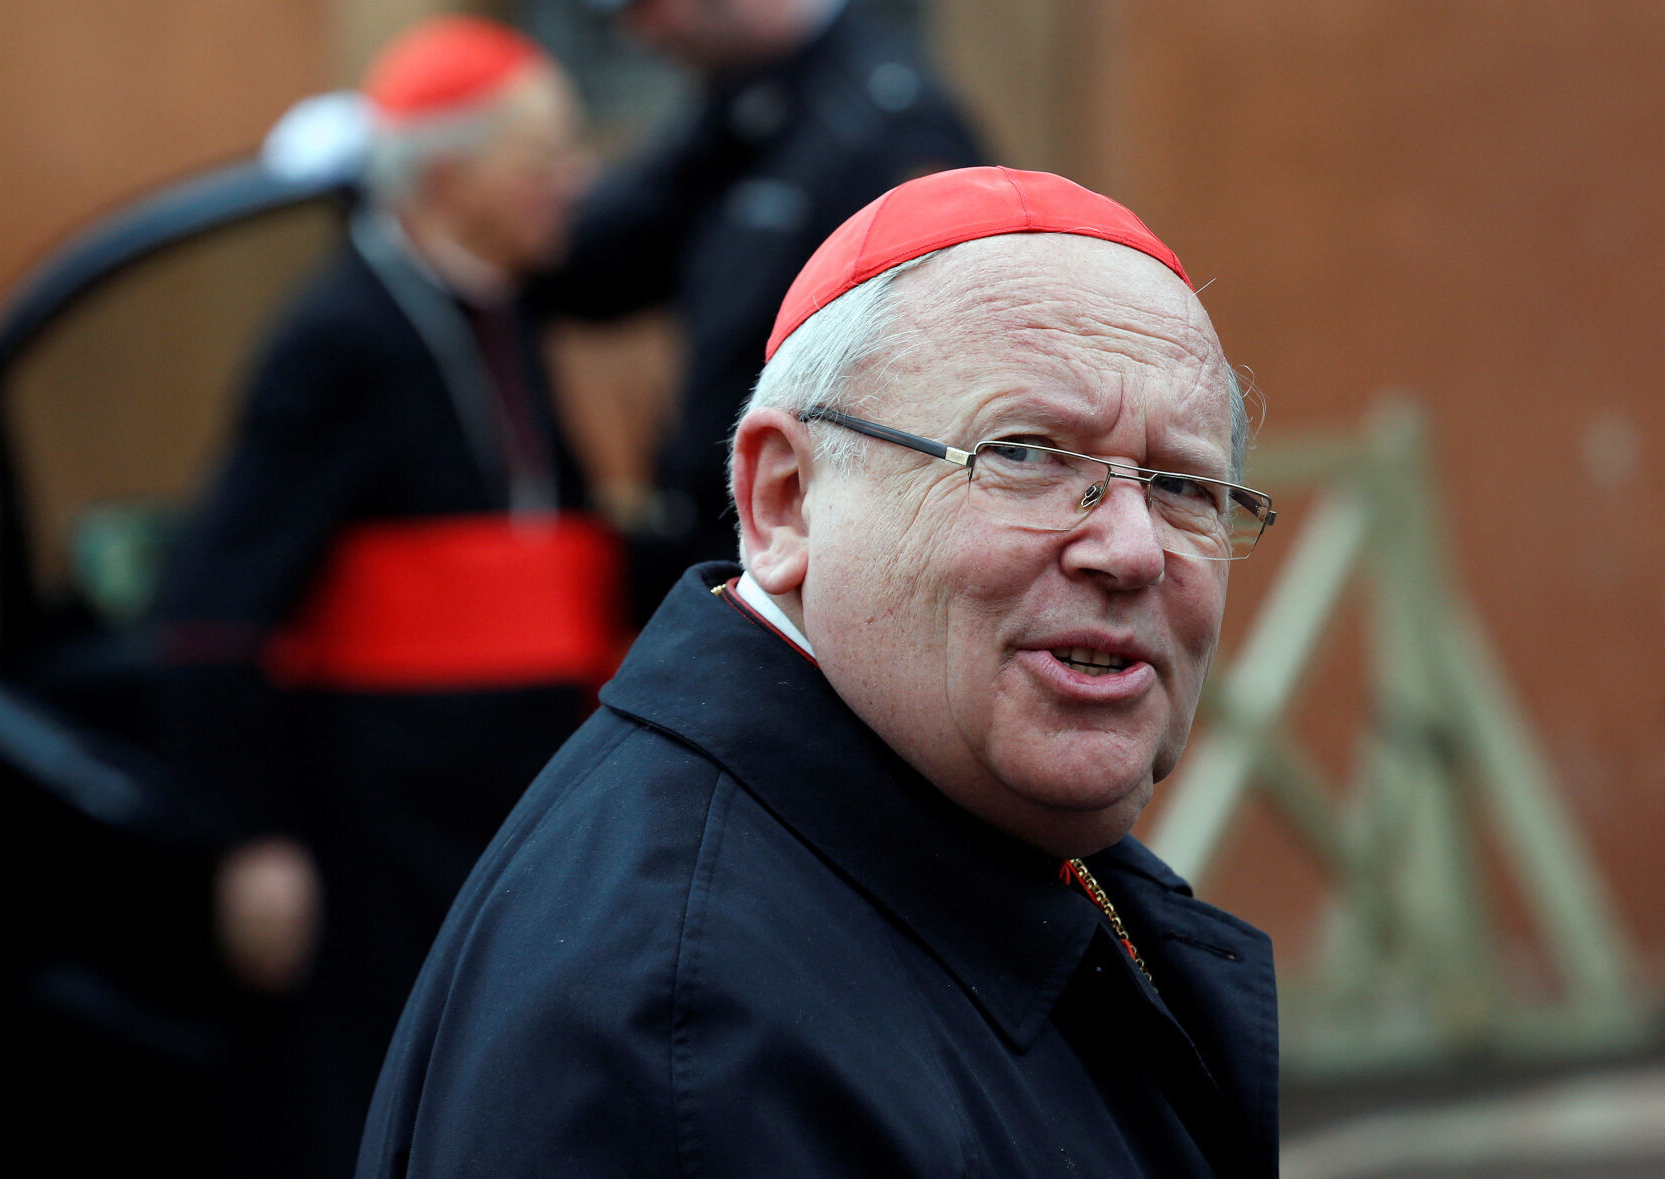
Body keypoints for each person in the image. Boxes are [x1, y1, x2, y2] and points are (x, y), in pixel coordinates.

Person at [359, 165, 1282, 1177]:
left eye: (1185, 486)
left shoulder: (964, 800)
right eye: (1025, 455)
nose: (1134, 550)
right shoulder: (687, 1045)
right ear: (786, 501)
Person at [149, 16, 618, 1176]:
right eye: (546, 157)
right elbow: (216, 606)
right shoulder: (337, 336)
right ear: (451, 178)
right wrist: (250, 837)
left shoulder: (502, 306)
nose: (577, 181)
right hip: (379, 819)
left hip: (500, 794)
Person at [537, 0, 984, 617]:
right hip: (725, 532)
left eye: (648, 8)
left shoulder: (887, 120)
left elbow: (942, 359)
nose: (642, 34)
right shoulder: (738, 108)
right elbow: (593, 264)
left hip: (821, 546)